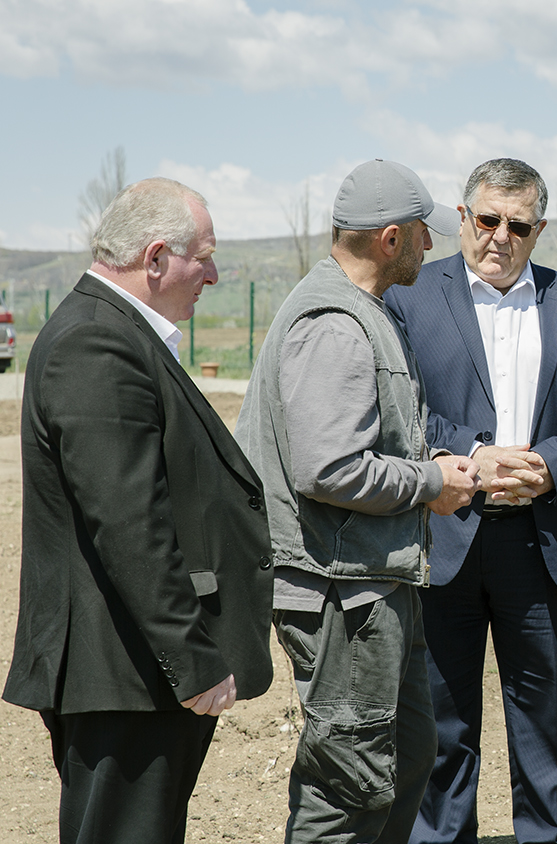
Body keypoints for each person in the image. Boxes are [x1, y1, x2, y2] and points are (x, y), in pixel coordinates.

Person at [3, 177, 275, 843]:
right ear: (155, 258)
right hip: (125, 674)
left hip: (133, 668)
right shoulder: (97, 343)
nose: (213, 275)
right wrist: (192, 659)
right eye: (203, 257)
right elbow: (129, 524)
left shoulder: (115, 333)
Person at [235, 159, 481, 843]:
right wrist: (431, 484)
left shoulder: (362, 312)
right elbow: (332, 469)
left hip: (371, 582)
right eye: (423, 234)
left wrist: (432, 465)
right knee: (349, 786)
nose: (432, 246)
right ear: (391, 238)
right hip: (341, 594)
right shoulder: (335, 324)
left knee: (407, 754)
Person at [384, 158, 557, 844]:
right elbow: (401, 404)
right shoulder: (409, 297)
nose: (500, 237)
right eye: (488, 219)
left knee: (549, 726)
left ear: (538, 230)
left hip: (543, 544)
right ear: (463, 218)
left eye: (518, 226)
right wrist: (470, 454)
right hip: (443, 538)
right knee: (439, 727)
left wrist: (552, 465)